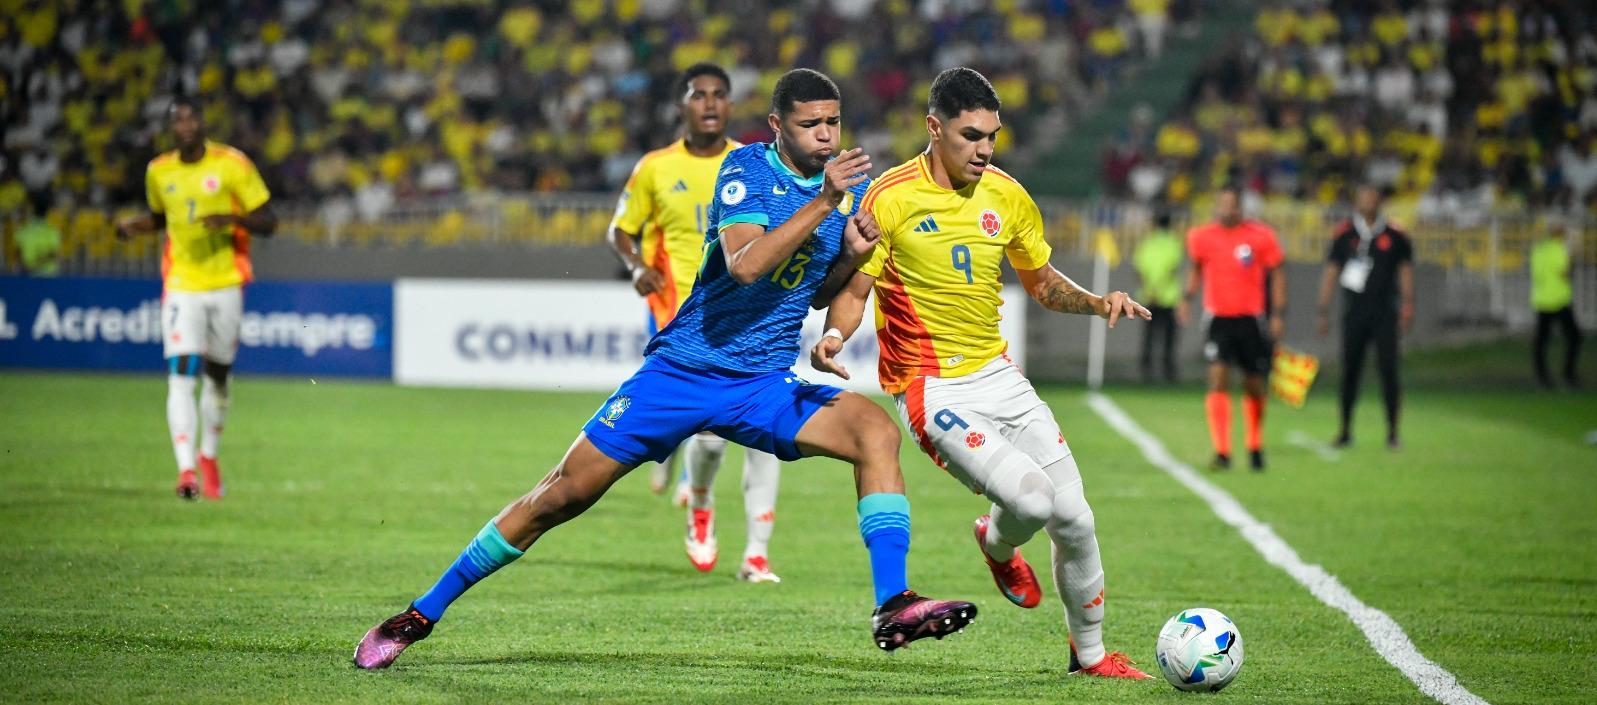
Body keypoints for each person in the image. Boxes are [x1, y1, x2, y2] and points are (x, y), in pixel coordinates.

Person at [353, 69, 978, 670]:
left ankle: (893, 605)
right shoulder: (746, 171)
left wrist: (846, 277)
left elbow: (818, 292)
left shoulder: (848, 195)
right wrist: (825, 204)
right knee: (559, 496)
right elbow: (746, 266)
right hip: (681, 373)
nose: (826, 136)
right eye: (811, 123)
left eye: (834, 123)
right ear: (776, 126)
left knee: (875, 432)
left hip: (761, 384)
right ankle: (420, 614)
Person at [812, 67, 1153, 680]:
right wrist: (835, 335)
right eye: (971, 136)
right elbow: (858, 289)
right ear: (934, 128)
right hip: (930, 385)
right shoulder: (889, 197)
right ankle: (997, 544)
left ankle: (1091, 656)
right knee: (1031, 497)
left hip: (999, 374)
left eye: (993, 136)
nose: (985, 149)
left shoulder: (1007, 194)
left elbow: (1043, 283)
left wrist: (1101, 303)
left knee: (1076, 519)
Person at [606, 63, 783, 582]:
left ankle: (756, 554)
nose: (709, 103)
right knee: (708, 438)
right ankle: (698, 499)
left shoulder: (753, 163)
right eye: (698, 95)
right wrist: (637, 266)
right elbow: (622, 229)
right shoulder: (656, 168)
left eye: (719, 95)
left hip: (751, 317)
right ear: (681, 106)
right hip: (687, 325)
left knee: (766, 434)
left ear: (730, 105)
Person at [116, 98, 277, 499]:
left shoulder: (232, 164)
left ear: (203, 123)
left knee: (218, 376)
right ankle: (186, 470)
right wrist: (136, 227)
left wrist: (232, 219)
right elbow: (160, 217)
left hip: (225, 282)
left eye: (192, 118)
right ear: (172, 127)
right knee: (182, 371)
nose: (185, 125)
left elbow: (269, 221)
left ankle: (209, 455)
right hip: (182, 283)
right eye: (178, 119)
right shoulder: (159, 170)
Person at [1178, 185, 1283, 471]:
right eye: (1221, 204)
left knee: (1253, 384)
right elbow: (1196, 269)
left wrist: (1277, 313)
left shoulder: (1260, 236)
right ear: (1216, 206)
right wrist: (1187, 299)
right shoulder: (1202, 237)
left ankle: (1254, 444)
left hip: (1251, 318)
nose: (1227, 210)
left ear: (1240, 207)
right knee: (1217, 378)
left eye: (1232, 205)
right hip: (1219, 319)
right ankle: (1222, 451)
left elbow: (1276, 273)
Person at [1317, 185, 1413, 448]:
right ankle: (1345, 429)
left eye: (1372, 196)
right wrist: (1323, 309)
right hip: (1354, 312)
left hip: (1385, 312)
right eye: (1363, 196)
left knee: (1389, 371)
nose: (1368, 201)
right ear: (1357, 201)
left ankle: (1393, 431)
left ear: (1379, 201)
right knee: (1350, 371)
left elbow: (1405, 271)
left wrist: (1407, 305)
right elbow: (1331, 271)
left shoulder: (1394, 234)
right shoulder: (1345, 233)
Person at [1531, 219, 1582, 389]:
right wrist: (1573, 253)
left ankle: (1542, 377)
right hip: (1559, 299)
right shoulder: (1558, 249)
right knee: (1574, 338)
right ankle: (1568, 375)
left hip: (1541, 300)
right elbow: (1565, 273)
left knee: (1541, 341)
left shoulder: (1538, 249)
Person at [1132, 211, 1183, 382]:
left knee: (1148, 336)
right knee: (1169, 338)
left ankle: (1146, 372)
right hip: (1168, 297)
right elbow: (1172, 269)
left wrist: (1150, 290)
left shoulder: (1147, 242)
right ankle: (1169, 373)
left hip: (1148, 297)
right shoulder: (1173, 242)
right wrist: (1160, 289)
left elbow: (1139, 269)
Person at [16, 196, 62, 277]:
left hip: (27, 272)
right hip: (48, 274)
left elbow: (18, 251)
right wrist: (37, 266)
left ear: (32, 212)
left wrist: (29, 267)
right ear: (47, 213)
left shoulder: (23, 229)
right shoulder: (51, 230)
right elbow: (53, 253)